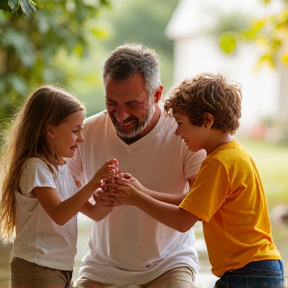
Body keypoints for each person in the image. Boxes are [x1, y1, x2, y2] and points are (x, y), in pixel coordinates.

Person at [106, 72, 285, 288]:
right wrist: (142, 191)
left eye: (181, 124)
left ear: (207, 120)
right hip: (259, 268)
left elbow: (183, 221)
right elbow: (191, 200)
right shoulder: (236, 155)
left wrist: (136, 199)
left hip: (246, 273)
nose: (177, 133)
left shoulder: (218, 163)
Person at [66, 43, 207, 288]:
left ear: (157, 95)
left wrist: (137, 195)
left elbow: (198, 205)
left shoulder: (185, 133)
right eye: (112, 103)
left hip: (169, 264)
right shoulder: (86, 132)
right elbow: (61, 183)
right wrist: (92, 199)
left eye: (133, 105)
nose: (120, 116)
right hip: (102, 268)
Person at [0, 84, 118, 288]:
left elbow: (94, 213)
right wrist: (91, 184)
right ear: (50, 130)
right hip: (37, 266)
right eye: (75, 131)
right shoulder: (35, 167)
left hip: (59, 267)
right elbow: (59, 214)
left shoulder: (63, 169)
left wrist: (111, 192)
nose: (81, 138)